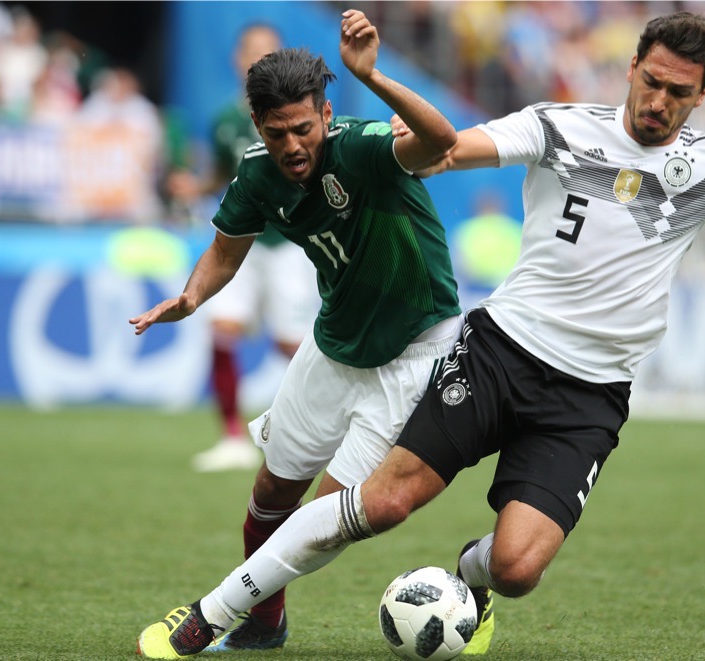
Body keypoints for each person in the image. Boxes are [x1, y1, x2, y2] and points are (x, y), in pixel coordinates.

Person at [135, 10, 705, 659]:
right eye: (651, 82)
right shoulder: (559, 128)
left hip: (590, 396)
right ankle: (214, 613)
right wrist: (407, 126)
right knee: (381, 502)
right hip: (498, 352)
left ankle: (465, 585)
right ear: (631, 71)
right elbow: (452, 147)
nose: (659, 101)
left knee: (515, 568)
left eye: (679, 93)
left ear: (702, 94)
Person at [132, 8, 461, 658]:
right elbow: (227, 249)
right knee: (270, 494)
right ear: (258, 124)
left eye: (304, 128)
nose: (292, 146)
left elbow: (440, 137)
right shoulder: (257, 171)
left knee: (327, 518)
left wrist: (376, 76)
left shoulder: (365, 147)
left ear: (327, 115)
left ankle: (215, 610)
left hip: (414, 350)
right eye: (278, 132)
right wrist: (193, 296)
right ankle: (265, 622)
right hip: (333, 345)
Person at [167, 23, 320, 473]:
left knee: (295, 344)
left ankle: (319, 431)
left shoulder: (301, 115)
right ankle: (232, 436)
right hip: (239, 244)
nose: (255, 59)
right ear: (237, 60)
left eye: (265, 52)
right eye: (249, 52)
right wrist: (194, 185)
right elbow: (222, 173)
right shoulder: (226, 123)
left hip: (291, 243)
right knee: (222, 328)